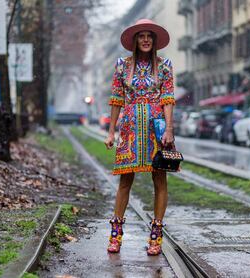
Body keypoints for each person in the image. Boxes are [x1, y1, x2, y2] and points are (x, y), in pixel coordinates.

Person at [104, 19, 176, 256]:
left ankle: (156, 236)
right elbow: (116, 99)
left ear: (154, 41)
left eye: (149, 36)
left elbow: (167, 99)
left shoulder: (165, 65)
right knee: (125, 181)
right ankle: (115, 235)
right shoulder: (122, 66)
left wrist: (169, 129)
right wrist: (111, 131)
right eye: (141, 36)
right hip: (130, 129)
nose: (145, 39)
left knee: (160, 179)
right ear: (135, 40)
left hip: (156, 129)